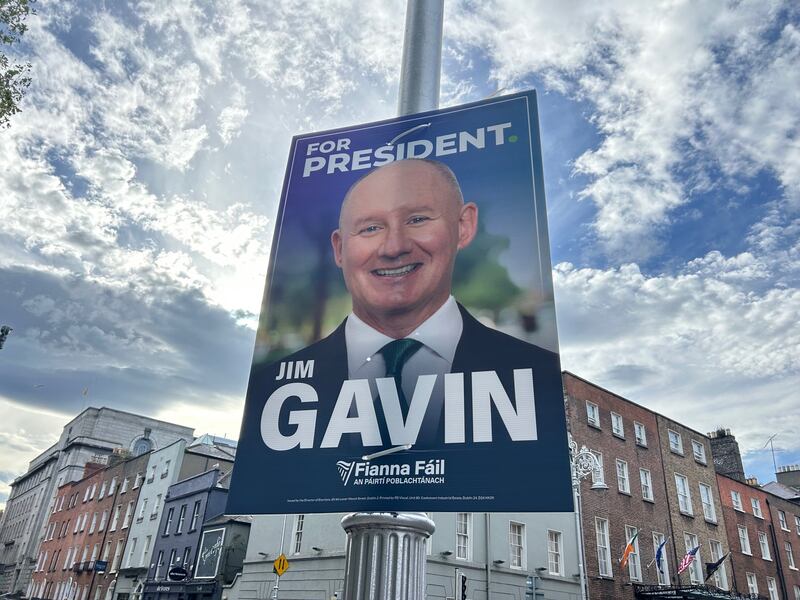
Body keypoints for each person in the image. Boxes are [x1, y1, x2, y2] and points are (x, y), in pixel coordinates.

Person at [251, 158, 561, 451]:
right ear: (340, 248)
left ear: (463, 226)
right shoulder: (271, 392)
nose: (394, 247)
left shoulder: (537, 379)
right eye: (371, 228)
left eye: (417, 219)